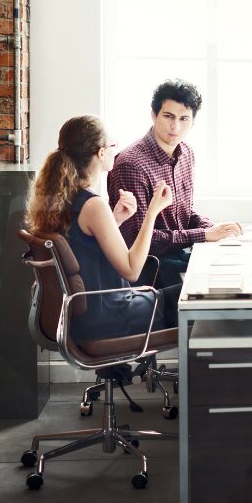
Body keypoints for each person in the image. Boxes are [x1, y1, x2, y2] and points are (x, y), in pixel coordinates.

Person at [26, 115, 181, 341]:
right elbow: (131, 270)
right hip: (110, 317)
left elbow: (80, 245)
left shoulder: (64, 196)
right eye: (112, 145)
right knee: (191, 299)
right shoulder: (94, 205)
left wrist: (114, 220)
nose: (115, 151)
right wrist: (152, 212)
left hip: (88, 318)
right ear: (100, 152)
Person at [108, 79, 241, 288]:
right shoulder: (131, 164)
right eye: (168, 116)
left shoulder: (186, 153)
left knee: (236, 266)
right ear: (153, 115)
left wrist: (215, 229)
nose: (175, 127)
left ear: (193, 122)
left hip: (179, 255)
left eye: (184, 119)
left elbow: (184, 214)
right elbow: (138, 239)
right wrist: (205, 235)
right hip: (151, 270)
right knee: (226, 286)